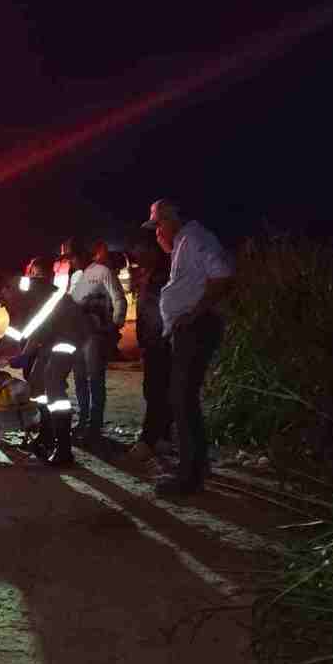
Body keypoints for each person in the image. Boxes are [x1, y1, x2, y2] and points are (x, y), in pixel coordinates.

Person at [142, 198, 234, 495]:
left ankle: (189, 477)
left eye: (158, 227)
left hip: (197, 328)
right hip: (189, 329)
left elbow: (222, 274)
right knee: (183, 398)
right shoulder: (183, 243)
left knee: (182, 399)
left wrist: (194, 313)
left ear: (170, 220)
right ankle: (196, 466)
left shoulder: (194, 238)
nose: (156, 234)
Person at [0, 265, 91, 465]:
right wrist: (1, 354)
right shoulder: (16, 292)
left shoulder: (17, 290)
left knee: (53, 384)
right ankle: (46, 437)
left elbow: (22, 331)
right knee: (37, 384)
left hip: (69, 332)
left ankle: (64, 450)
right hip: (53, 335)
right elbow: (25, 330)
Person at [68, 239, 127, 449]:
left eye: (73, 256)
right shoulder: (75, 277)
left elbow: (119, 298)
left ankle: (94, 425)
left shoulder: (103, 272)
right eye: (69, 258)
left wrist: (115, 325)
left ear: (84, 254)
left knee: (95, 380)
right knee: (80, 380)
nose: (72, 261)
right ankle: (83, 420)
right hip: (77, 336)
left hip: (96, 335)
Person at [127, 237, 173, 461]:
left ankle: (149, 440)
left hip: (160, 343)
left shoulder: (161, 277)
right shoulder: (151, 275)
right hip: (153, 343)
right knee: (157, 391)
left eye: (140, 248)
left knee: (156, 391)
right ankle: (163, 437)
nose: (136, 253)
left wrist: (153, 342)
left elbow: (158, 316)